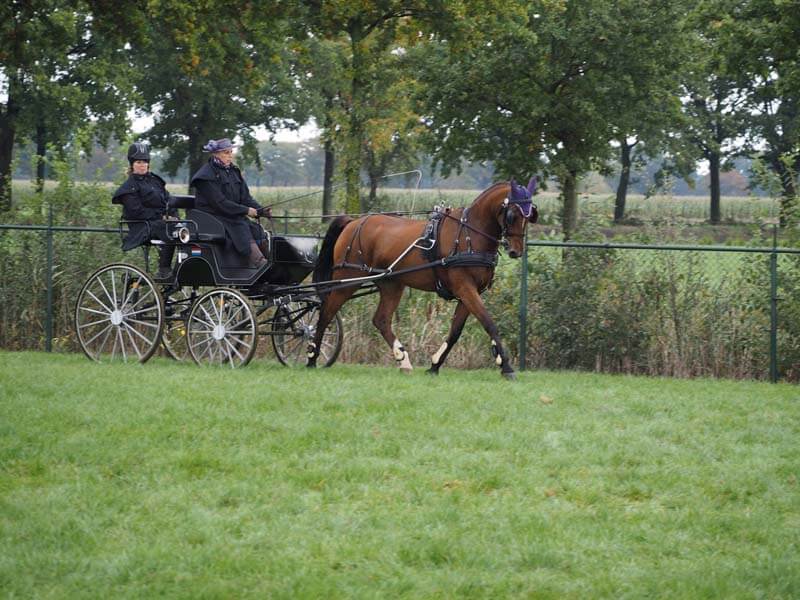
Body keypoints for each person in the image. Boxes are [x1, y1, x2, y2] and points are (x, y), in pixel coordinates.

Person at [190, 138, 271, 268]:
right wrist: (246, 211)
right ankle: (260, 263)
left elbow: (246, 198)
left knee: (257, 230)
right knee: (241, 228)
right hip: (213, 217)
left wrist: (261, 210)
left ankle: (270, 263)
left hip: (232, 215)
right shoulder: (204, 176)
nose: (230, 156)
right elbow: (220, 203)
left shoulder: (234, 171)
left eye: (231, 152)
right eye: (226, 153)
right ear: (215, 154)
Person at [112, 142, 177, 280]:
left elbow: (169, 201)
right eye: (139, 162)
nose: (142, 165)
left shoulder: (155, 181)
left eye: (145, 162)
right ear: (132, 164)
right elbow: (136, 212)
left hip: (159, 223)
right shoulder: (129, 187)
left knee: (185, 227)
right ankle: (164, 269)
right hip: (142, 227)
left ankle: (181, 268)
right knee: (170, 229)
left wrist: (173, 215)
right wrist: (161, 216)